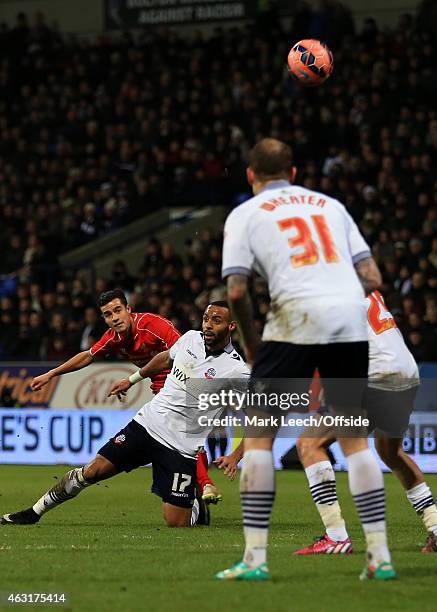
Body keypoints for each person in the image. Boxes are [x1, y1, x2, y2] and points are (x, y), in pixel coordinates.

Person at [217, 138, 393, 581]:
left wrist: (254, 345)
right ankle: (380, 556)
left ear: (251, 176)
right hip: (350, 321)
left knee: (258, 437)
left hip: (291, 321)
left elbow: (236, 291)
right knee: (354, 439)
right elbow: (372, 276)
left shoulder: (244, 213)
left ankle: (254, 560)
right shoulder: (332, 206)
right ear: (294, 173)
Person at [2, 302, 248, 528]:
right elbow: (165, 358)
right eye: (206, 318)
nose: (207, 324)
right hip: (147, 425)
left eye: (216, 320)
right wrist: (132, 380)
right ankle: (33, 512)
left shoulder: (237, 370)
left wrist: (236, 455)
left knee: (177, 524)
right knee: (92, 471)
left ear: (232, 326)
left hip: (180, 447)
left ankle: (196, 504)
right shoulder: (190, 339)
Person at [30, 289, 221, 504]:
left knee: (182, 435)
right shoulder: (114, 337)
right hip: (160, 389)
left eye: (118, 311)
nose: (114, 318)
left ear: (129, 310)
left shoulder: (154, 326)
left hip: (183, 382)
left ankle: (203, 483)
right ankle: (200, 488)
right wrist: (52, 373)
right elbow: (88, 356)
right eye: (108, 314)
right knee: (181, 437)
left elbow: (188, 352)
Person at [295, 291, 437, 555]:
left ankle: (336, 536)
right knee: (390, 452)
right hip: (405, 371)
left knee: (309, 444)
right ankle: (436, 527)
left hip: (372, 372)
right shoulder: (362, 286)